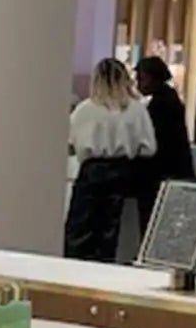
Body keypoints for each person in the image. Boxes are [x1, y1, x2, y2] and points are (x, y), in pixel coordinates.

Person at [64, 58, 155, 262]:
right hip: (122, 173)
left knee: (80, 231)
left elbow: (69, 144)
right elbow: (149, 148)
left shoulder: (85, 109)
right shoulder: (136, 110)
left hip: (91, 172)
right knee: (111, 231)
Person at [134, 56, 193, 235]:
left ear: (153, 77)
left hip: (162, 173)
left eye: (141, 79)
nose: (138, 84)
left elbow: (155, 141)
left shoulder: (161, 105)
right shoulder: (169, 99)